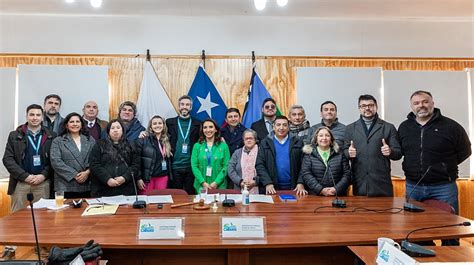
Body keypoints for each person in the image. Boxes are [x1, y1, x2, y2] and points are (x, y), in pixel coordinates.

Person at [398, 90, 471, 214]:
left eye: (425, 102)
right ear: (412, 107)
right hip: (413, 186)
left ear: (433, 103)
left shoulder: (451, 126)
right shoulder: (404, 127)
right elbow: (401, 151)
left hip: (444, 187)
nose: (421, 105)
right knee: (413, 224)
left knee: (448, 225)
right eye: (416, 103)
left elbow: (465, 150)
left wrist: (445, 165)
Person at [344, 94, 402, 197]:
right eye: (363, 106)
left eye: (370, 105)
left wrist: (390, 152)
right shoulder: (350, 128)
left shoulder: (388, 127)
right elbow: (344, 151)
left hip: (382, 183)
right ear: (359, 108)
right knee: (360, 212)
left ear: (376, 107)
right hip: (359, 181)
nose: (367, 108)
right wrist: (348, 153)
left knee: (384, 212)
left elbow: (398, 153)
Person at [3, 104, 55, 212]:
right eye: (31, 115)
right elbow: (8, 159)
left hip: (43, 183)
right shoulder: (14, 135)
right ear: (26, 116)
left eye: (38, 115)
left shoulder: (52, 135)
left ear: (42, 117)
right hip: (21, 182)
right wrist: (25, 176)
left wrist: (43, 175)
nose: (35, 118)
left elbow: (55, 160)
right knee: (17, 218)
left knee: (42, 217)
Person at [256, 116, 307, 196]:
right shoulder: (265, 142)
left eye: (284, 125)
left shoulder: (298, 142)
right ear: (273, 127)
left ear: (288, 127)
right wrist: (267, 183)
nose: (281, 127)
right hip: (272, 188)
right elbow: (259, 165)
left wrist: (301, 182)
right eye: (278, 125)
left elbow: (305, 165)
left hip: (295, 188)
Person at [89, 119, 140, 197]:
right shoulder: (99, 145)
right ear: (108, 131)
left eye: (118, 128)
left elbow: (135, 165)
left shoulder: (131, 145)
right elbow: (94, 164)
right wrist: (107, 179)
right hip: (103, 189)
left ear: (123, 130)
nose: (115, 130)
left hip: (127, 189)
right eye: (112, 128)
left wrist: (124, 177)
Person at [50, 112, 95, 199]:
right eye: (71, 122)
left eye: (77, 122)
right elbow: (56, 161)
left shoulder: (90, 140)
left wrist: (87, 173)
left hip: (87, 184)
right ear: (66, 125)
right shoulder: (58, 141)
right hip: (65, 185)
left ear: (82, 124)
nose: (75, 124)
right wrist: (75, 175)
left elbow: (96, 160)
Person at [300, 127, 350, 196]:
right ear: (316, 139)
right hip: (315, 195)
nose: (324, 138)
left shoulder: (340, 153)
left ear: (331, 139)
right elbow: (306, 174)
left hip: (337, 195)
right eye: (321, 135)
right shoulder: (309, 154)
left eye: (327, 135)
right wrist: (321, 190)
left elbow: (347, 174)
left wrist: (336, 189)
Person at [166, 95, 201, 194]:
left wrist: (220, 138)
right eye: (182, 104)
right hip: (175, 166)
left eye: (187, 104)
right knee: (176, 195)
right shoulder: (169, 122)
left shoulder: (198, 124)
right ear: (179, 106)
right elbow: (158, 133)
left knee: (190, 195)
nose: (184, 107)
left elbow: (205, 138)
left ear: (191, 107)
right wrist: (145, 133)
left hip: (191, 167)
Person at [135, 115, 173, 194]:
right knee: (146, 202)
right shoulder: (143, 139)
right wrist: (138, 178)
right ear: (151, 126)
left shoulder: (168, 139)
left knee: (160, 202)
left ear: (163, 125)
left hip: (162, 177)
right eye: (154, 123)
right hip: (147, 178)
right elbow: (136, 161)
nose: (157, 125)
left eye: (160, 123)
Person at [191, 119, 230, 194]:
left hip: (219, 185)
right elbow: (194, 166)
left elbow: (226, 166)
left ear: (216, 129)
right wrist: (203, 182)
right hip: (201, 185)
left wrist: (216, 182)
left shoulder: (224, 146)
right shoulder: (197, 146)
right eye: (205, 127)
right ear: (202, 130)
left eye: (211, 127)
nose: (208, 130)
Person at [227, 129, 259, 193]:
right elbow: (230, 169)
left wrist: (256, 181)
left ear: (255, 140)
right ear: (243, 140)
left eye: (251, 138)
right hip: (239, 188)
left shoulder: (261, 152)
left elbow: (265, 170)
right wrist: (240, 182)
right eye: (246, 138)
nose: (248, 140)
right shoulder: (237, 152)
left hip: (258, 188)